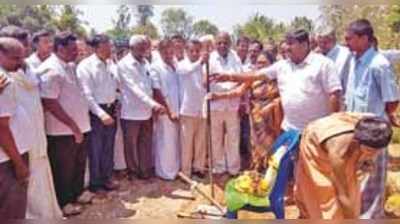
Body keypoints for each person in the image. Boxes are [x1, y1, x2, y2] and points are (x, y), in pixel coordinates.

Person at [211, 29, 342, 132]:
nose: (286, 47)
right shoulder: (283, 65)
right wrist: (228, 77)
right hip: (289, 130)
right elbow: (256, 75)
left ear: (304, 45)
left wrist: (330, 126)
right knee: (283, 165)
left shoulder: (324, 64)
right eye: (286, 43)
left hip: (316, 131)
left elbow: (334, 94)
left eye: (291, 44)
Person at [344, 19, 400, 218]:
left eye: (349, 38)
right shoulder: (353, 61)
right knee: (359, 176)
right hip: (355, 129)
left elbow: (392, 101)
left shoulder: (379, 64)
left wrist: (380, 124)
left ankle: (372, 217)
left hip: (374, 131)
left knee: (373, 179)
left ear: (364, 38)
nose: (346, 42)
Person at [295, 112, 393, 219]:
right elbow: (342, 194)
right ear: (356, 142)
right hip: (316, 145)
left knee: (352, 192)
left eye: (377, 151)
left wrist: (367, 159)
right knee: (322, 194)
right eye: (369, 150)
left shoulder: (374, 128)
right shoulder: (337, 152)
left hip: (344, 138)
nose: (374, 154)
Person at [38, 31, 91, 215]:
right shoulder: (51, 69)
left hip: (79, 127)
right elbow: (50, 102)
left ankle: (77, 193)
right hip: (62, 132)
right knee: (63, 169)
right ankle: (64, 202)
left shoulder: (68, 66)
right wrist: (72, 125)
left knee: (78, 164)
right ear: (60, 48)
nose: (77, 52)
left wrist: (79, 126)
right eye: (73, 49)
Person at [118, 35, 165, 180]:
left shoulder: (145, 62)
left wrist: (157, 103)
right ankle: (133, 172)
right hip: (131, 112)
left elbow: (151, 84)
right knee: (131, 145)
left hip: (147, 112)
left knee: (145, 142)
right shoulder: (124, 65)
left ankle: (145, 171)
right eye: (141, 48)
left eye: (145, 48)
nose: (144, 51)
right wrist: (154, 104)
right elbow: (135, 89)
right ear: (131, 48)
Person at [77, 34, 119, 192]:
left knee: (108, 147)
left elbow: (114, 86)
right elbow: (86, 95)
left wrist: (116, 102)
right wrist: (101, 114)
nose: (111, 49)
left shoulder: (109, 63)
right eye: (108, 46)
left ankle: (107, 178)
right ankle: (95, 183)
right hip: (96, 113)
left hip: (111, 109)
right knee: (95, 149)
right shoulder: (85, 66)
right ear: (98, 47)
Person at [0, 37, 31, 219]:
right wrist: (19, 164)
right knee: (12, 211)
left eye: (22, 58)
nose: (20, 64)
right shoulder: (4, 81)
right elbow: (2, 128)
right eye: (15, 58)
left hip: (9, 156)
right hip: (9, 159)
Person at [208, 32, 244, 176]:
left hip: (232, 103)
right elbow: (206, 80)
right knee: (216, 138)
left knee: (233, 137)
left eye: (225, 42)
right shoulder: (210, 58)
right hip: (215, 104)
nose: (222, 45)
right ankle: (219, 166)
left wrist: (231, 90)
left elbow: (240, 77)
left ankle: (233, 168)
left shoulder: (235, 57)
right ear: (215, 44)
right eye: (219, 43)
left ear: (229, 44)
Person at [176, 39, 208, 178]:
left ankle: (199, 167)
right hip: (187, 110)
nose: (194, 53)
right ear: (186, 51)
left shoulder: (204, 66)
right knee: (187, 143)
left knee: (200, 141)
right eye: (192, 51)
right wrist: (201, 61)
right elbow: (188, 71)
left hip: (201, 108)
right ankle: (186, 171)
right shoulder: (182, 65)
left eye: (197, 50)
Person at [151, 39, 181, 180]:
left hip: (178, 108)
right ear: (160, 52)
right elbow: (157, 91)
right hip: (166, 109)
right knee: (165, 141)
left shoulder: (176, 64)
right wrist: (169, 111)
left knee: (175, 141)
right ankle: (165, 173)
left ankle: (175, 170)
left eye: (171, 51)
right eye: (166, 52)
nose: (169, 54)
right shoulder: (155, 67)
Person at [316, 26, 352, 94]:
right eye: (319, 42)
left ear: (334, 40)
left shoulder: (346, 55)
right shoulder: (316, 56)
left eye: (325, 42)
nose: (322, 45)